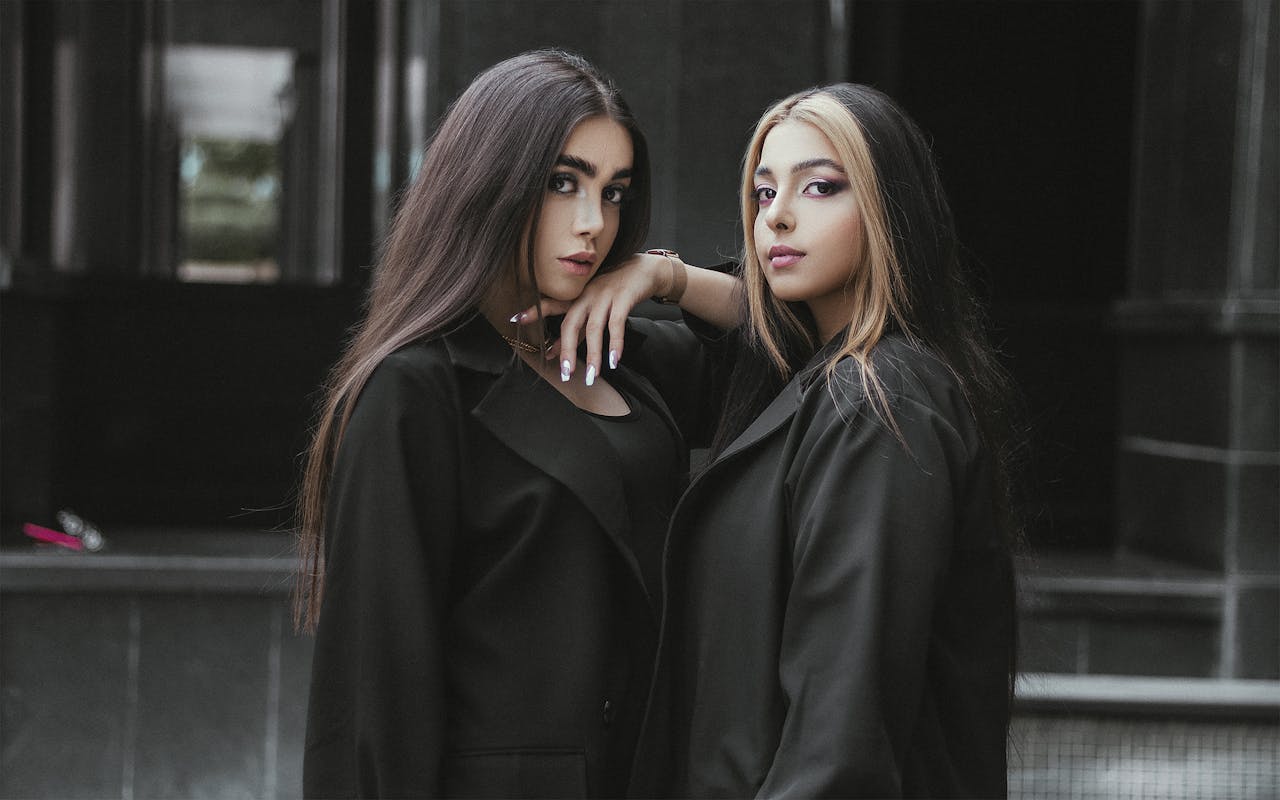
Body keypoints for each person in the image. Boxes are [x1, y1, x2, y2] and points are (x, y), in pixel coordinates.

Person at [544, 83, 1021, 798]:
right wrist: (666, 277)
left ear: (892, 211)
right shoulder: (820, 381)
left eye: (821, 187)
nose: (779, 218)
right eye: (764, 195)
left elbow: (841, 737)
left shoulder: (881, 402)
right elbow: (758, 328)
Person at [292, 49, 713, 799]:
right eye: (564, 183)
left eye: (614, 192)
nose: (594, 224)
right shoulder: (416, 391)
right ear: (492, 180)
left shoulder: (621, 356)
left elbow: (801, 350)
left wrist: (662, 275)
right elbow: (373, 696)